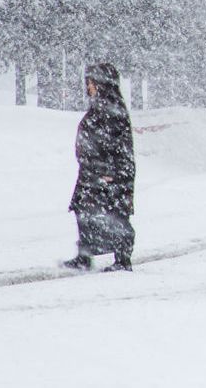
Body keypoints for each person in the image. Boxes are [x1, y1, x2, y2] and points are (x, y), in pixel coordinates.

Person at [63, 62, 136, 272]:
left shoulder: (112, 111)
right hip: (92, 172)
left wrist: (111, 172)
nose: (89, 86)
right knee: (85, 212)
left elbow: (117, 146)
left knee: (116, 215)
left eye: (92, 82)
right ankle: (84, 256)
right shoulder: (99, 107)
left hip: (109, 174)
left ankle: (123, 260)